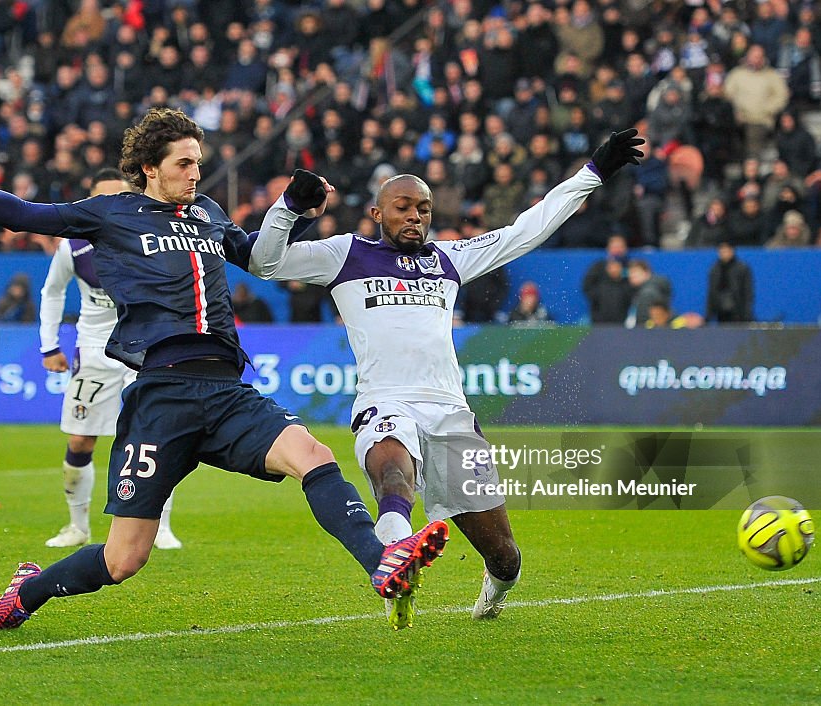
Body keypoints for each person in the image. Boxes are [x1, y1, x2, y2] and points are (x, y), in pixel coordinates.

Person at [0, 107, 447, 632]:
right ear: (149, 168)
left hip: (227, 389)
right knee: (123, 559)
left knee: (313, 455)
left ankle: (383, 562)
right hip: (162, 396)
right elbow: (22, 214)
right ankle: (27, 592)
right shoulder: (109, 212)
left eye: (198, 163)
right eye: (184, 164)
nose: (195, 173)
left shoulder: (208, 212)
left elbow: (260, 258)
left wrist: (291, 209)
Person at [250, 130, 644, 626]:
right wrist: (287, 207)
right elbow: (263, 262)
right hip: (385, 401)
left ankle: (492, 592)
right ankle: (392, 558)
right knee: (393, 469)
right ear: (377, 214)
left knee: (506, 558)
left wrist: (594, 172)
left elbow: (528, 228)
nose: (415, 216)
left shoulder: (449, 259)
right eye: (402, 207)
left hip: (451, 415)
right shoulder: (343, 255)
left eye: (424, 208)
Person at [39, 168, 181, 550]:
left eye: (118, 197)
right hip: (96, 351)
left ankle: (161, 525)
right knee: (81, 440)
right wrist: (49, 345)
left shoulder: (153, 240)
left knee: (154, 438)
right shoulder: (74, 246)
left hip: (147, 351)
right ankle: (77, 526)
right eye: (101, 199)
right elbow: (52, 292)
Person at [705, 242, 754, 323]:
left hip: (738, 311)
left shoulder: (742, 268)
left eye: (726, 250)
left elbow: (748, 291)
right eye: (722, 251)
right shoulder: (714, 269)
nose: (724, 253)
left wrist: (747, 312)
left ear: (732, 251)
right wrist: (708, 315)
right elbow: (711, 292)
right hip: (721, 311)